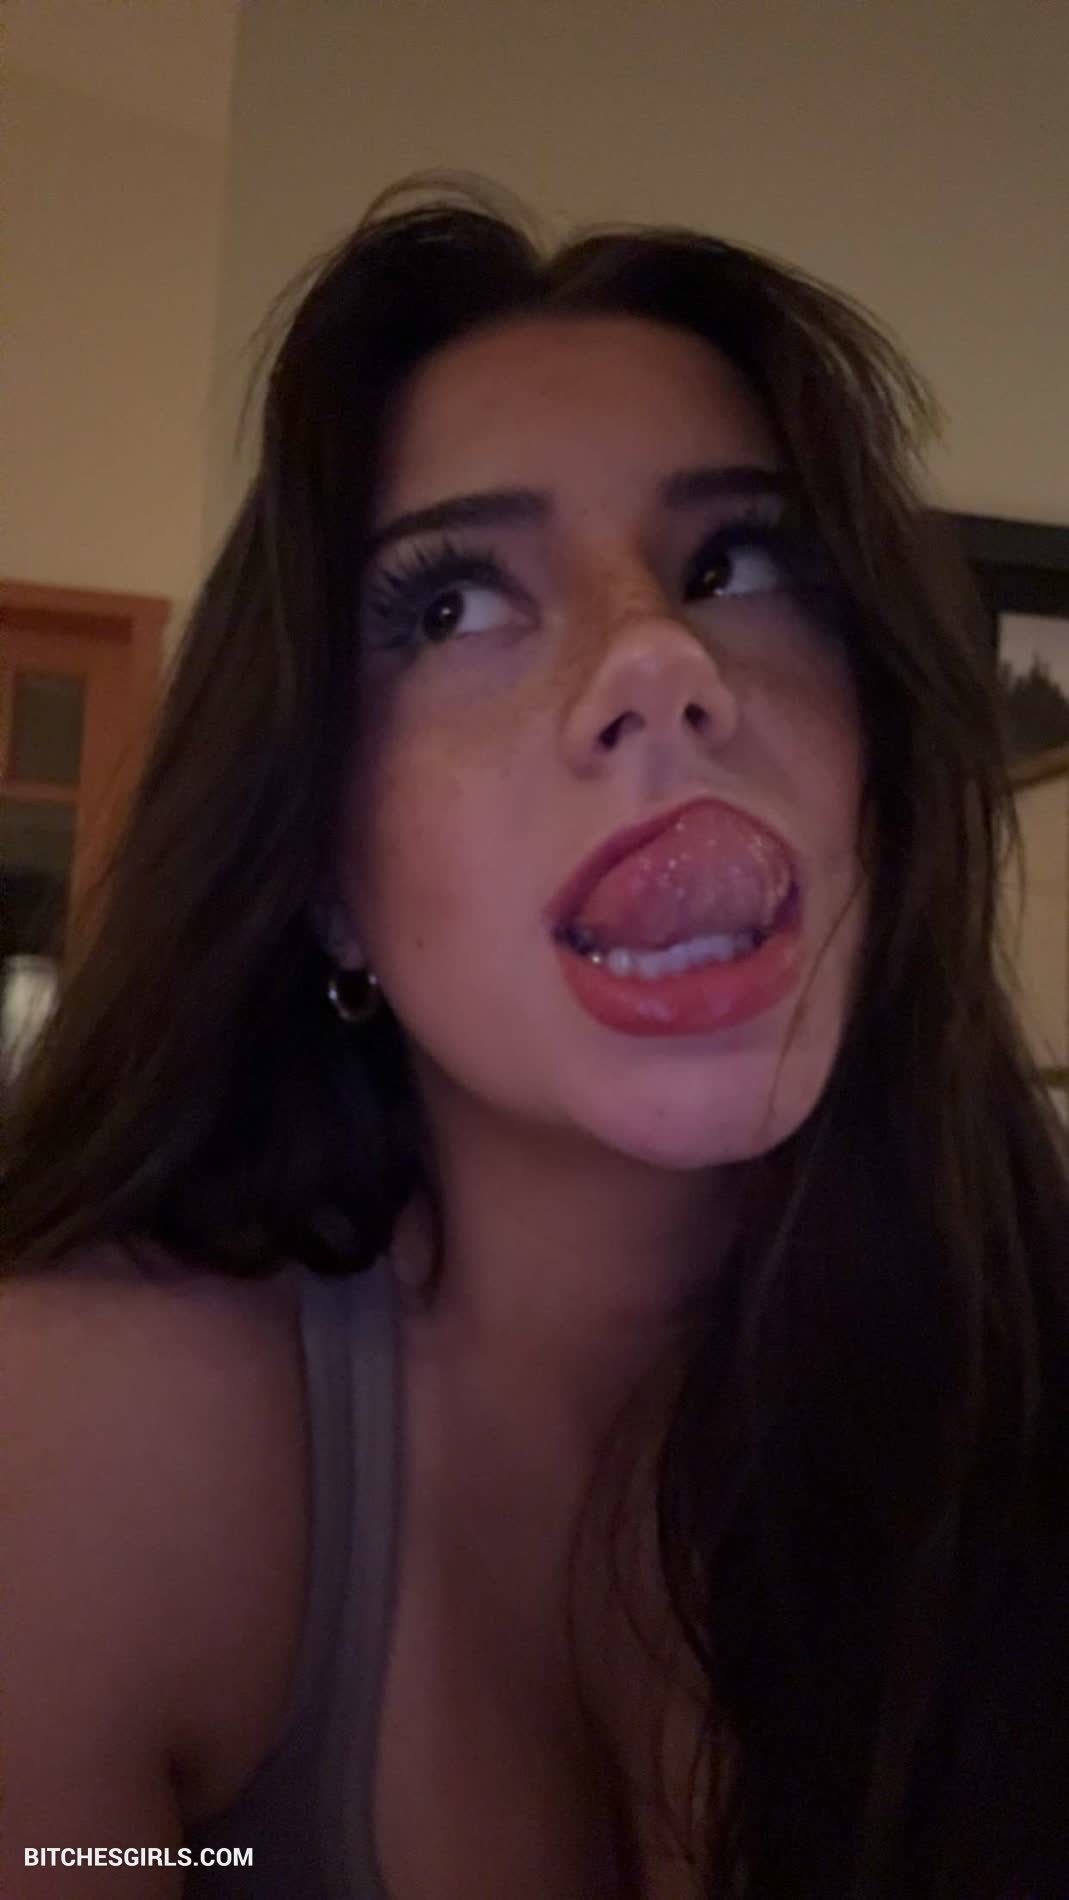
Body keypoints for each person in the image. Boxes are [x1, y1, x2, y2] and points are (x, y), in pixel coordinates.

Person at [2, 172, 1067, 1900]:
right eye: (448, 608)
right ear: (322, 879)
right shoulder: (80, 1449)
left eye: (733, 564)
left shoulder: (1020, 1385)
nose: (656, 660)